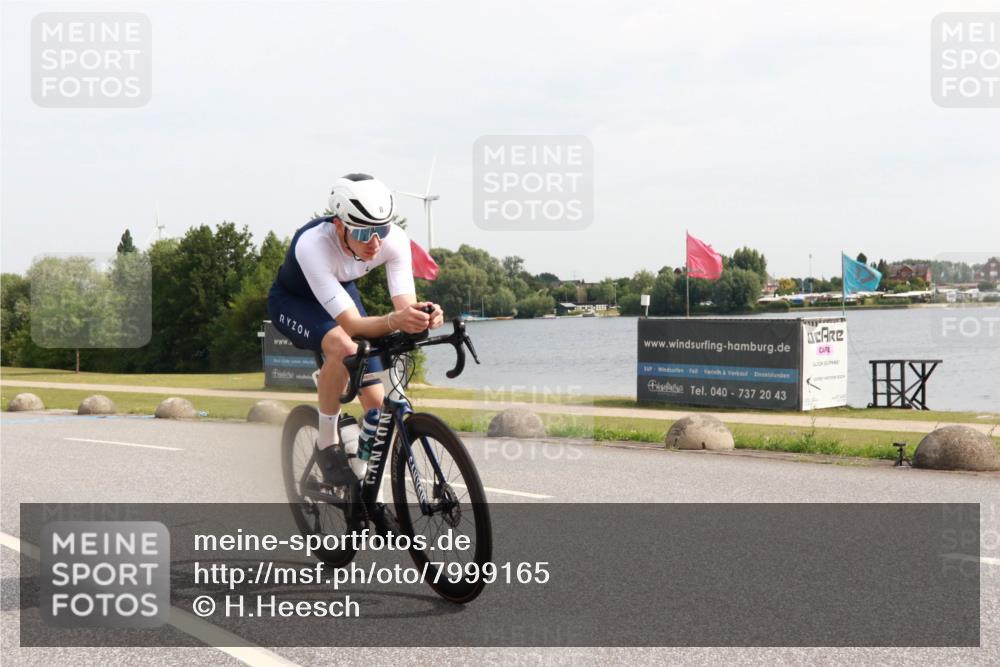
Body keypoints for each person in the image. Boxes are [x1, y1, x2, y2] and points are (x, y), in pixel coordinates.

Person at [268, 173, 443, 485]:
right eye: (363, 233)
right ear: (340, 226)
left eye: (382, 229)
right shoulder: (313, 245)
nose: (375, 243)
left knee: (377, 404)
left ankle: (362, 485)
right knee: (343, 347)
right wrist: (395, 320)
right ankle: (327, 444)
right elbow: (351, 325)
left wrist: (423, 317)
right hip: (295, 302)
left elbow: (404, 310)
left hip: (340, 293)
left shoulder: (394, 240)